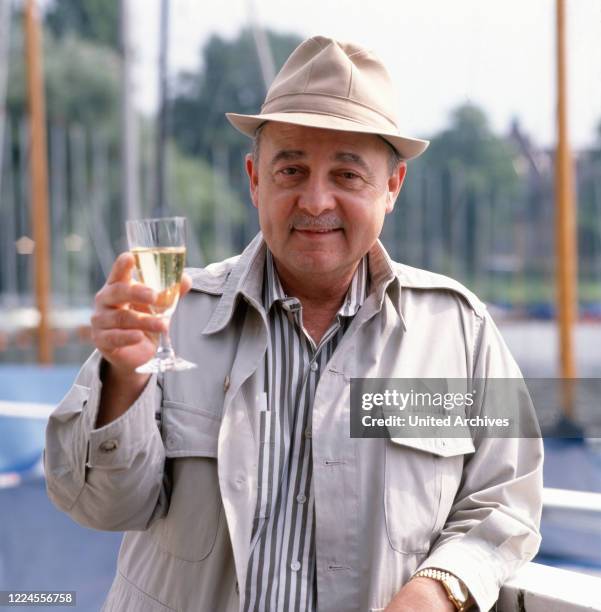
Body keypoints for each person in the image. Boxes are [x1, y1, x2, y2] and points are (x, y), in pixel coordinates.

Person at [45, 36, 542, 612]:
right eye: (292, 170)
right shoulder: (165, 318)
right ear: (256, 180)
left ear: (392, 189)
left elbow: (505, 499)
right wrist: (123, 380)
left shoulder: (460, 332)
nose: (315, 200)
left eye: (348, 176)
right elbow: (101, 508)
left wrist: (439, 588)